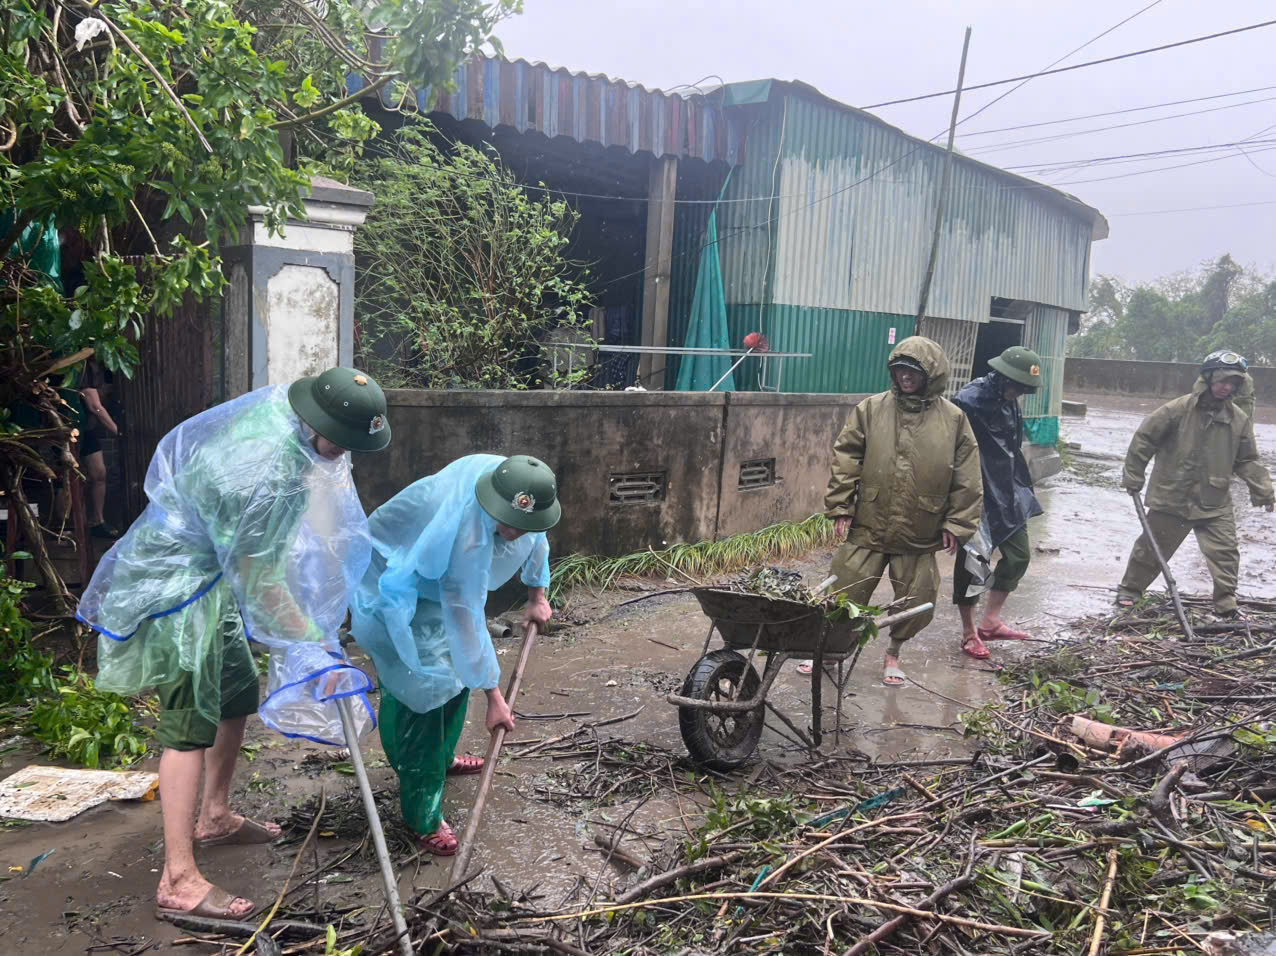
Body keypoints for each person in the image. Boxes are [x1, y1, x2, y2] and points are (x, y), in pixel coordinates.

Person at [76, 368, 392, 920]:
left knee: (237, 691)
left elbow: (273, 562)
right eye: (339, 441)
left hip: (211, 579)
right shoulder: (264, 474)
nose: (342, 454)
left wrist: (313, 639)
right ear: (316, 421)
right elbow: (263, 579)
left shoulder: (289, 423)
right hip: (176, 588)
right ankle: (177, 878)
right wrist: (314, 649)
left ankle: (214, 816)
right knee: (187, 724)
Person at [351, 454, 558, 855]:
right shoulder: (470, 531)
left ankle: (442, 758)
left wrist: (538, 595)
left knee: (457, 677)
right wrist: (495, 699)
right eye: (509, 523)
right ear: (493, 503)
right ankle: (422, 815)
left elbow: (538, 539)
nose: (517, 532)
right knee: (422, 688)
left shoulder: (526, 498)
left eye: (525, 524)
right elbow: (465, 618)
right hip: (397, 583)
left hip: (444, 591)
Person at [823, 337, 982, 685]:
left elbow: (968, 476)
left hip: (919, 525)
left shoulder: (954, 420)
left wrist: (957, 523)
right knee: (843, 591)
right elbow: (846, 457)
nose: (906, 376)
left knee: (917, 599)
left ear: (932, 374)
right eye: (900, 369)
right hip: (870, 519)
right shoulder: (871, 409)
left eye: (914, 370)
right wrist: (841, 505)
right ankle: (830, 651)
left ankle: (893, 651)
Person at [1117, 350, 1274, 617]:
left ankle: (1225, 602)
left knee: (1225, 552)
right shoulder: (1177, 410)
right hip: (1172, 496)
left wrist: (1263, 490)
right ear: (1208, 378)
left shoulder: (1238, 419)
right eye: (1223, 380)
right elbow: (1145, 439)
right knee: (1152, 548)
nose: (1227, 387)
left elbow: (1247, 459)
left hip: (1214, 499)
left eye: (1234, 383)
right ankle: (1130, 591)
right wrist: (1134, 476)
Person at [952, 346, 1044, 660]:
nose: (1018, 392)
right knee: (974, 564)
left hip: (1007, 490)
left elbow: (1012, 447)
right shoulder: (970, 400)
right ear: (1003, 376)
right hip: (976, 492)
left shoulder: (1010, 401)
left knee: (1019, 556)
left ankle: (991, 621)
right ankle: (969, 633)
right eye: (1015, 385)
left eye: (1023, 388)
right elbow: (951, 450)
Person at [77, 355, 122, 538]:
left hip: (87, 432)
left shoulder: (103, 371)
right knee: (68, 478)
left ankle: (97, 521)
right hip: (71, 430)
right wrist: (117, 431)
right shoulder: (82, 371)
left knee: (99, 473)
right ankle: (66, 529)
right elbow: (96, 407)